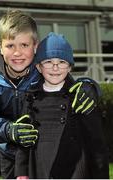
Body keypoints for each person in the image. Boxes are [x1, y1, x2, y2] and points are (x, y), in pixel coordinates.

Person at [0, 10, 101, 179]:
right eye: (10, 46)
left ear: (35, 46)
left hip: (42, 151)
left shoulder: (43, 69)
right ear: (0, 47)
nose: (17, 53)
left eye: (24, 45)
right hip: (9, 153)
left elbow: (69, 86)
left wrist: (90, 87)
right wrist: (9, 130)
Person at [15, 32, 109, 179]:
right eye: (48, 62)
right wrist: (21, 171)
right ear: (39, 67)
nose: (55, 67)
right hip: (40, 169)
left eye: (62, 62)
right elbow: (24, 139)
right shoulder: (30, 98)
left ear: (70, 67)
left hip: (76, 170)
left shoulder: (81, 97)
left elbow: (97, 144)